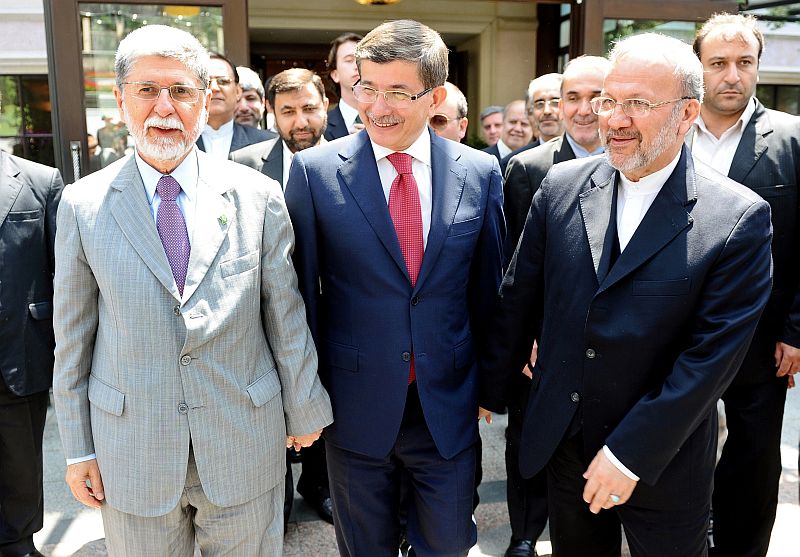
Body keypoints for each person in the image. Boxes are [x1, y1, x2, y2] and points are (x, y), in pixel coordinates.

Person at [480, 33, 773, 557]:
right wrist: (488, 390)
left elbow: (710, 361)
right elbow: (519, 296)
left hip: (665, 457)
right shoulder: (561, 186)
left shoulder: (736, 218)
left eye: (638, 103)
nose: (613, 118)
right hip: (567, 444)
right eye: (610, 100)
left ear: (686, 114)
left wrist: (632, 453)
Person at [52, 25, 332, 557]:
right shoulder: (82, 205)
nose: (164, 108)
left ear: (205, 99)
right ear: (120, 99)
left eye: (180, 91)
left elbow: (283, 310)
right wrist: (77, 448)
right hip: (131, 453)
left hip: (243, 441)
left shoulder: (257, 195)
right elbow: (73, 337)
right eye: (146, 90)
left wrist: (302, 406)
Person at [284, 19, 504, 557]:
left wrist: (492, 388)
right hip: (353, 405)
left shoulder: (479, 172)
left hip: (447, 406)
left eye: (398, 93)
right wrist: (302, 397)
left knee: (448, 544)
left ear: (434, 96)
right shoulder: (315, 173)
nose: (376, 107)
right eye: (367, 88)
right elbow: (300, 299)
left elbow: (490, 290)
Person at [690, 13, 800, 557]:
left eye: (745, 63)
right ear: (698, 68)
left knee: (754, 459)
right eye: (718, 64)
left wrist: (798, 330)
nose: (732, 75)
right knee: (676, 447)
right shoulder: (671, 132)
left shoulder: (792, 138)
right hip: (675, 331)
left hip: (764, 337)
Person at [231, 68, 333, 526]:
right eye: (288, 112)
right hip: (265, 310)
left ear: (325, 105)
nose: (300, 122)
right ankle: (279, 501)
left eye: (309, 109)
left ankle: (320, 484)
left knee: (324, 400)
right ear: (271, 114)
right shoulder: (243, 163)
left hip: (330, 309)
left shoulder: (349, 159)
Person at [0, 143, 62, 557]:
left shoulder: (40, 181)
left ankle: (18, 543)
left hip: (19, 348)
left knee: (20, 461)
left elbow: (66, 270)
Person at [503, 56, 610, 261]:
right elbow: (515, 261)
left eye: (597, 98)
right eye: (573, 98)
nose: (584, 110)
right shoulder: (528, 169)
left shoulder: (633, 164)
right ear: (561, 107)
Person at [196, 52, 274, 157]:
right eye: (206, 82)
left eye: (223, 81)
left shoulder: (269, 143)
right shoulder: (177, 141)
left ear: (238, 91)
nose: (214, 88)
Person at [500, 73, 564, 169]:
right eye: (539, 104)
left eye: (555, 103)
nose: (546, 111)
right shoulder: (515, 163)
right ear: (531, 111)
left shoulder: (586, 155)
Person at [324, 32, 363, 140]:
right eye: (349, 60)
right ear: (335, 75)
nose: (357, 66)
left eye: (362, 59)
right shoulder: (321, 126)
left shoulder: (388, 119)